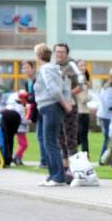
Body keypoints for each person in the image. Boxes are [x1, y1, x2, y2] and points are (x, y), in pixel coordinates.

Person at [33, 42, 73, 186]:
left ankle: (58, 177)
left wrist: (65, 104)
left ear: (38, 56)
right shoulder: (54, 69)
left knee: (50, 142)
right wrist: (66, 103)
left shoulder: (45, 70)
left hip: (51, 107)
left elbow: (55, 90)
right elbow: (66, 88)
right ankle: (52, 175)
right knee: (47, 142)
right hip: (48, 108)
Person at [54, 43, 84, 177]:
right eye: (58, 52)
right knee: (60, 138)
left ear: (67, 54)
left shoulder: (71, 66)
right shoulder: (53, 66)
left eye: (62, 52)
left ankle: (74, 169)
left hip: (70, 106)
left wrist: (66, 94)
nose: (59, 54)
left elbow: (81, 86)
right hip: (57, 106)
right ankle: (65, 169)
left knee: (70, 138)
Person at [22, 60, 45, 167]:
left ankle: (45, 161)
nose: (25, 70)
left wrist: (28, 97)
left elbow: (36, 97)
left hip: (43, 110)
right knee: (40, 136)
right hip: (36, 111)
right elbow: (30, 101)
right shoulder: (27, 82)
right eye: (24, 68)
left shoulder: (37, 79)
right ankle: (44, 160)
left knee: (42, 136)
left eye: (27, 67)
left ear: (33, 68)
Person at [97, 67, 112, 162]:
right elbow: (109, 104)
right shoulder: (110, 88)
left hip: (106, 116)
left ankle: (105, 159)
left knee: (109, 138)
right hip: (106, 116)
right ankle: (103, 159)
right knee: (108, 138)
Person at [75, 59, 92, 155]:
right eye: (81, 66)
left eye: (84, 65)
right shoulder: (78, 80)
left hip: (85, 111)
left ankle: (70, 152)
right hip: (80, 111)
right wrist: (90, 97)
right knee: (82, 137)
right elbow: (82, 99)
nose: (83, 67)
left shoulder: (84, 80)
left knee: (82, 137)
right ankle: (85, 156)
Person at [10, 91, 29, 166]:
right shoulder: (19, 107)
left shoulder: (21, 106)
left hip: (22, 128)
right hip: (20, 128)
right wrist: (27, 121)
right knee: (24, 145)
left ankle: (19, 159)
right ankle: (16, 157)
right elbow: (20, 118)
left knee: (22, 144)